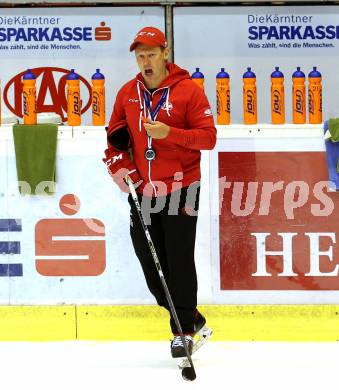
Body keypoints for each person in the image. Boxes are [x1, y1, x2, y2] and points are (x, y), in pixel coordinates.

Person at [103, 26, 216, 358]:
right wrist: (122, 170)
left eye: (151, 53)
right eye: (140, 55)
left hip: (183, 189)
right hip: (143, 192)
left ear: (166, 54)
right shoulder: (127, 94)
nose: (145, 61)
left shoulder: (188, 92)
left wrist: (170, 133)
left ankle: (181, 333)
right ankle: (191, 318)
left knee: (179, 263)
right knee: (153, 268)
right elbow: (114, 139)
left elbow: (208, 138)